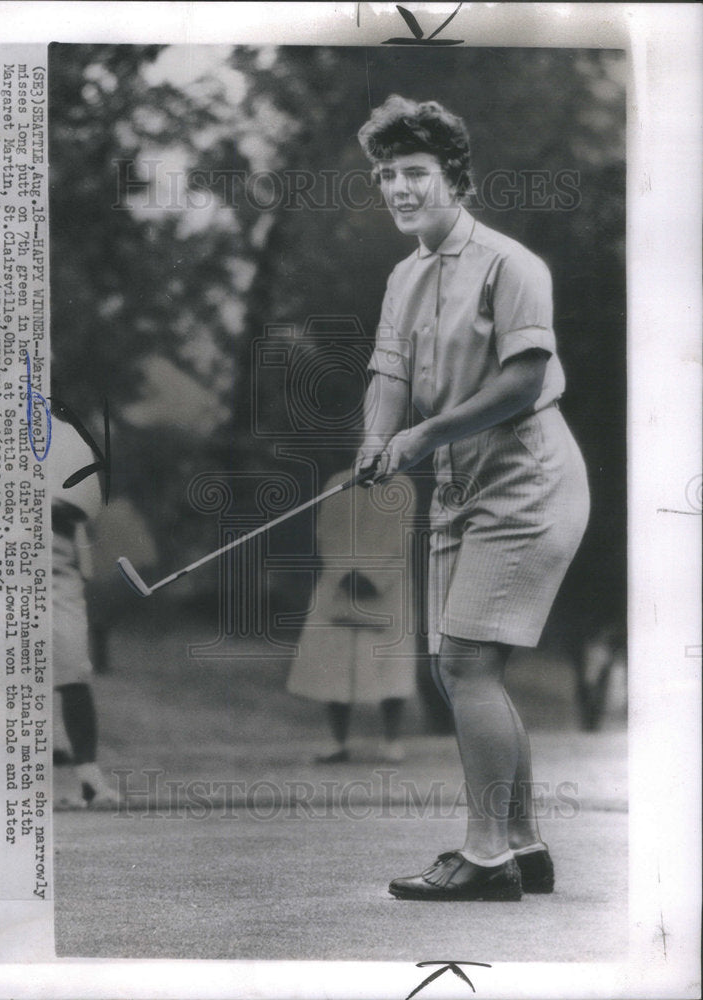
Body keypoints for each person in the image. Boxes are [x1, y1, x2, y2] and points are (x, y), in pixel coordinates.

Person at [355, 96, 590, 901]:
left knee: (464, 662)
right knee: (461, 669)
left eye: (414, 172)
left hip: (525, 476)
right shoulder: (403, 274)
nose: (399, 188)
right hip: (457, 482)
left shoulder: (510, 264)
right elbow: (387, 374)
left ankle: (483, 856)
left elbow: (523, 379)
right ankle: (521, 847)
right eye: (386, 174)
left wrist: (420, 439)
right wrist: (373, 442)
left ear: (453, 177)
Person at [287, 467, 417, 763]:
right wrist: (343, 573)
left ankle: (391, 739)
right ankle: (337, 740)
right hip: (340, 584)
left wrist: (373, 577)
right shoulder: (337, 481)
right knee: (335, 658)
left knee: (391, 659)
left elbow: (402, 536)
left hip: (387, 585)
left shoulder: (403, 485)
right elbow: (326, 532)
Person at [51, 410, 121, 808]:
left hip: (54, 567)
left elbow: (80, 505)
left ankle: (89, 780)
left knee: (74, 669)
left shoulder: (63, 435)